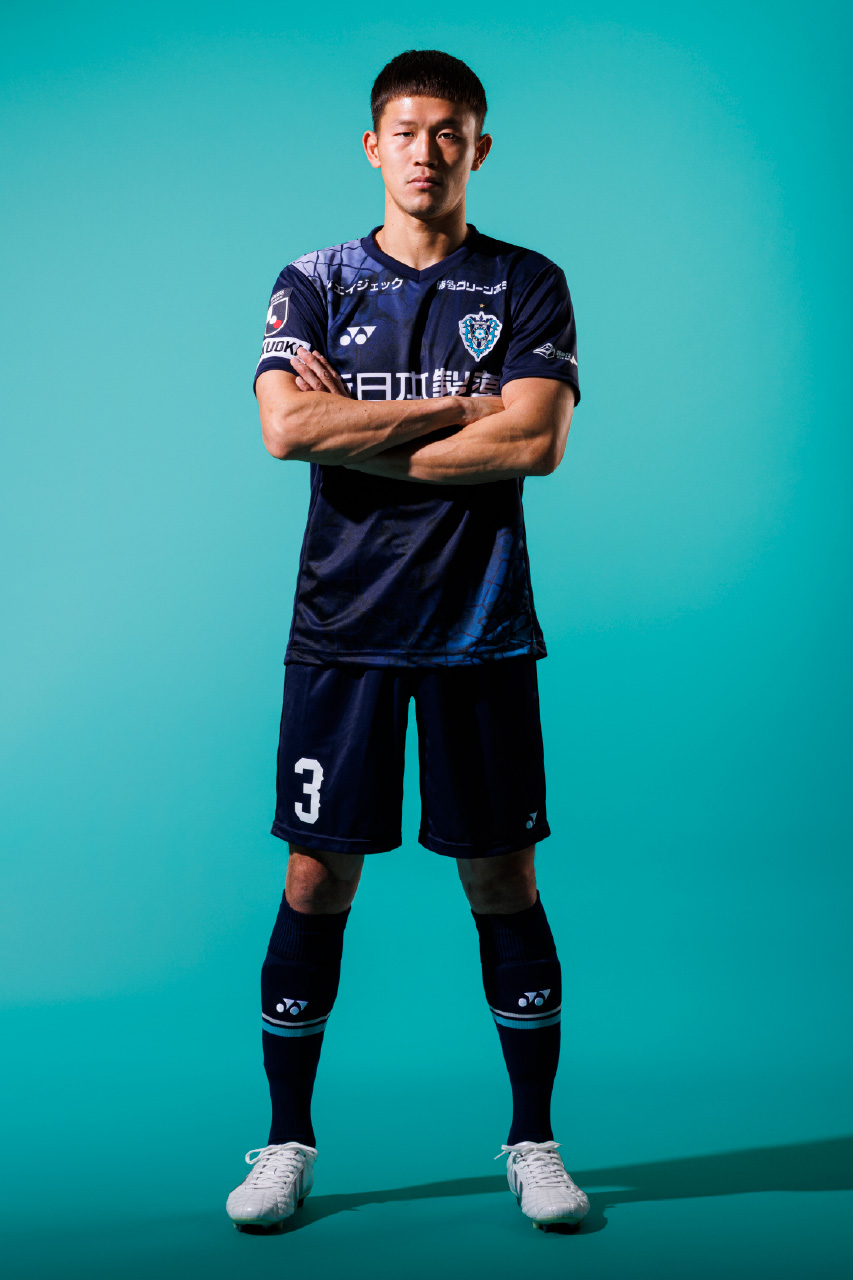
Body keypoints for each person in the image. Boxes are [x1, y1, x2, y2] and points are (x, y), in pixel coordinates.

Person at [226, 48, 589, 1234]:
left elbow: (533, 444)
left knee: (502, 875)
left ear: (477, 147)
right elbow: (287, 430)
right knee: (314, 875)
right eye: (404, 130)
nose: (425, 151)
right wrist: (457, 408)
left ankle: (533, 1140)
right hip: (343, 631)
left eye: (447, 132)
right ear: (371, 145)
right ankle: (286, 1140)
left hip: (479, 627)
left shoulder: (526, 282)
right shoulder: (315, 280)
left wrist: (361, 427)